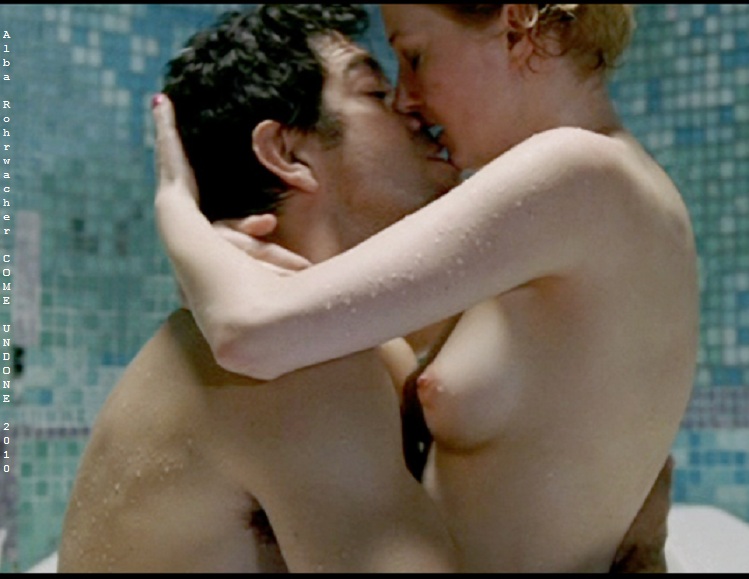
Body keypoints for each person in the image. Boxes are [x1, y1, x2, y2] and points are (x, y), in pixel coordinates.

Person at [153, 3, 699, 573]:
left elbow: (249, 334)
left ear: (517, 28)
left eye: (414, 56)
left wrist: (175, 206)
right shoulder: (584, 207)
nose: (406, 98)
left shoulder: (579, 172)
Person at [57, 5, 460, 573]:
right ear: (287, 153)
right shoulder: (293, 363)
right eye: (375, 92)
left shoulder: (350, 348)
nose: (413, 108)